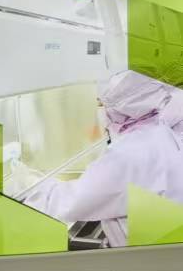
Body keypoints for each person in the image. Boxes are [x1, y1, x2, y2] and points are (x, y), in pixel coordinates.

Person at [21, 69, 183, 248]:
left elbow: (68, 203)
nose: (101, 110)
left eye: (101, 103)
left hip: (150, 256)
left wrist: (24, 185)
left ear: (120, 105)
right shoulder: (165, 131)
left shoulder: (133, 151)